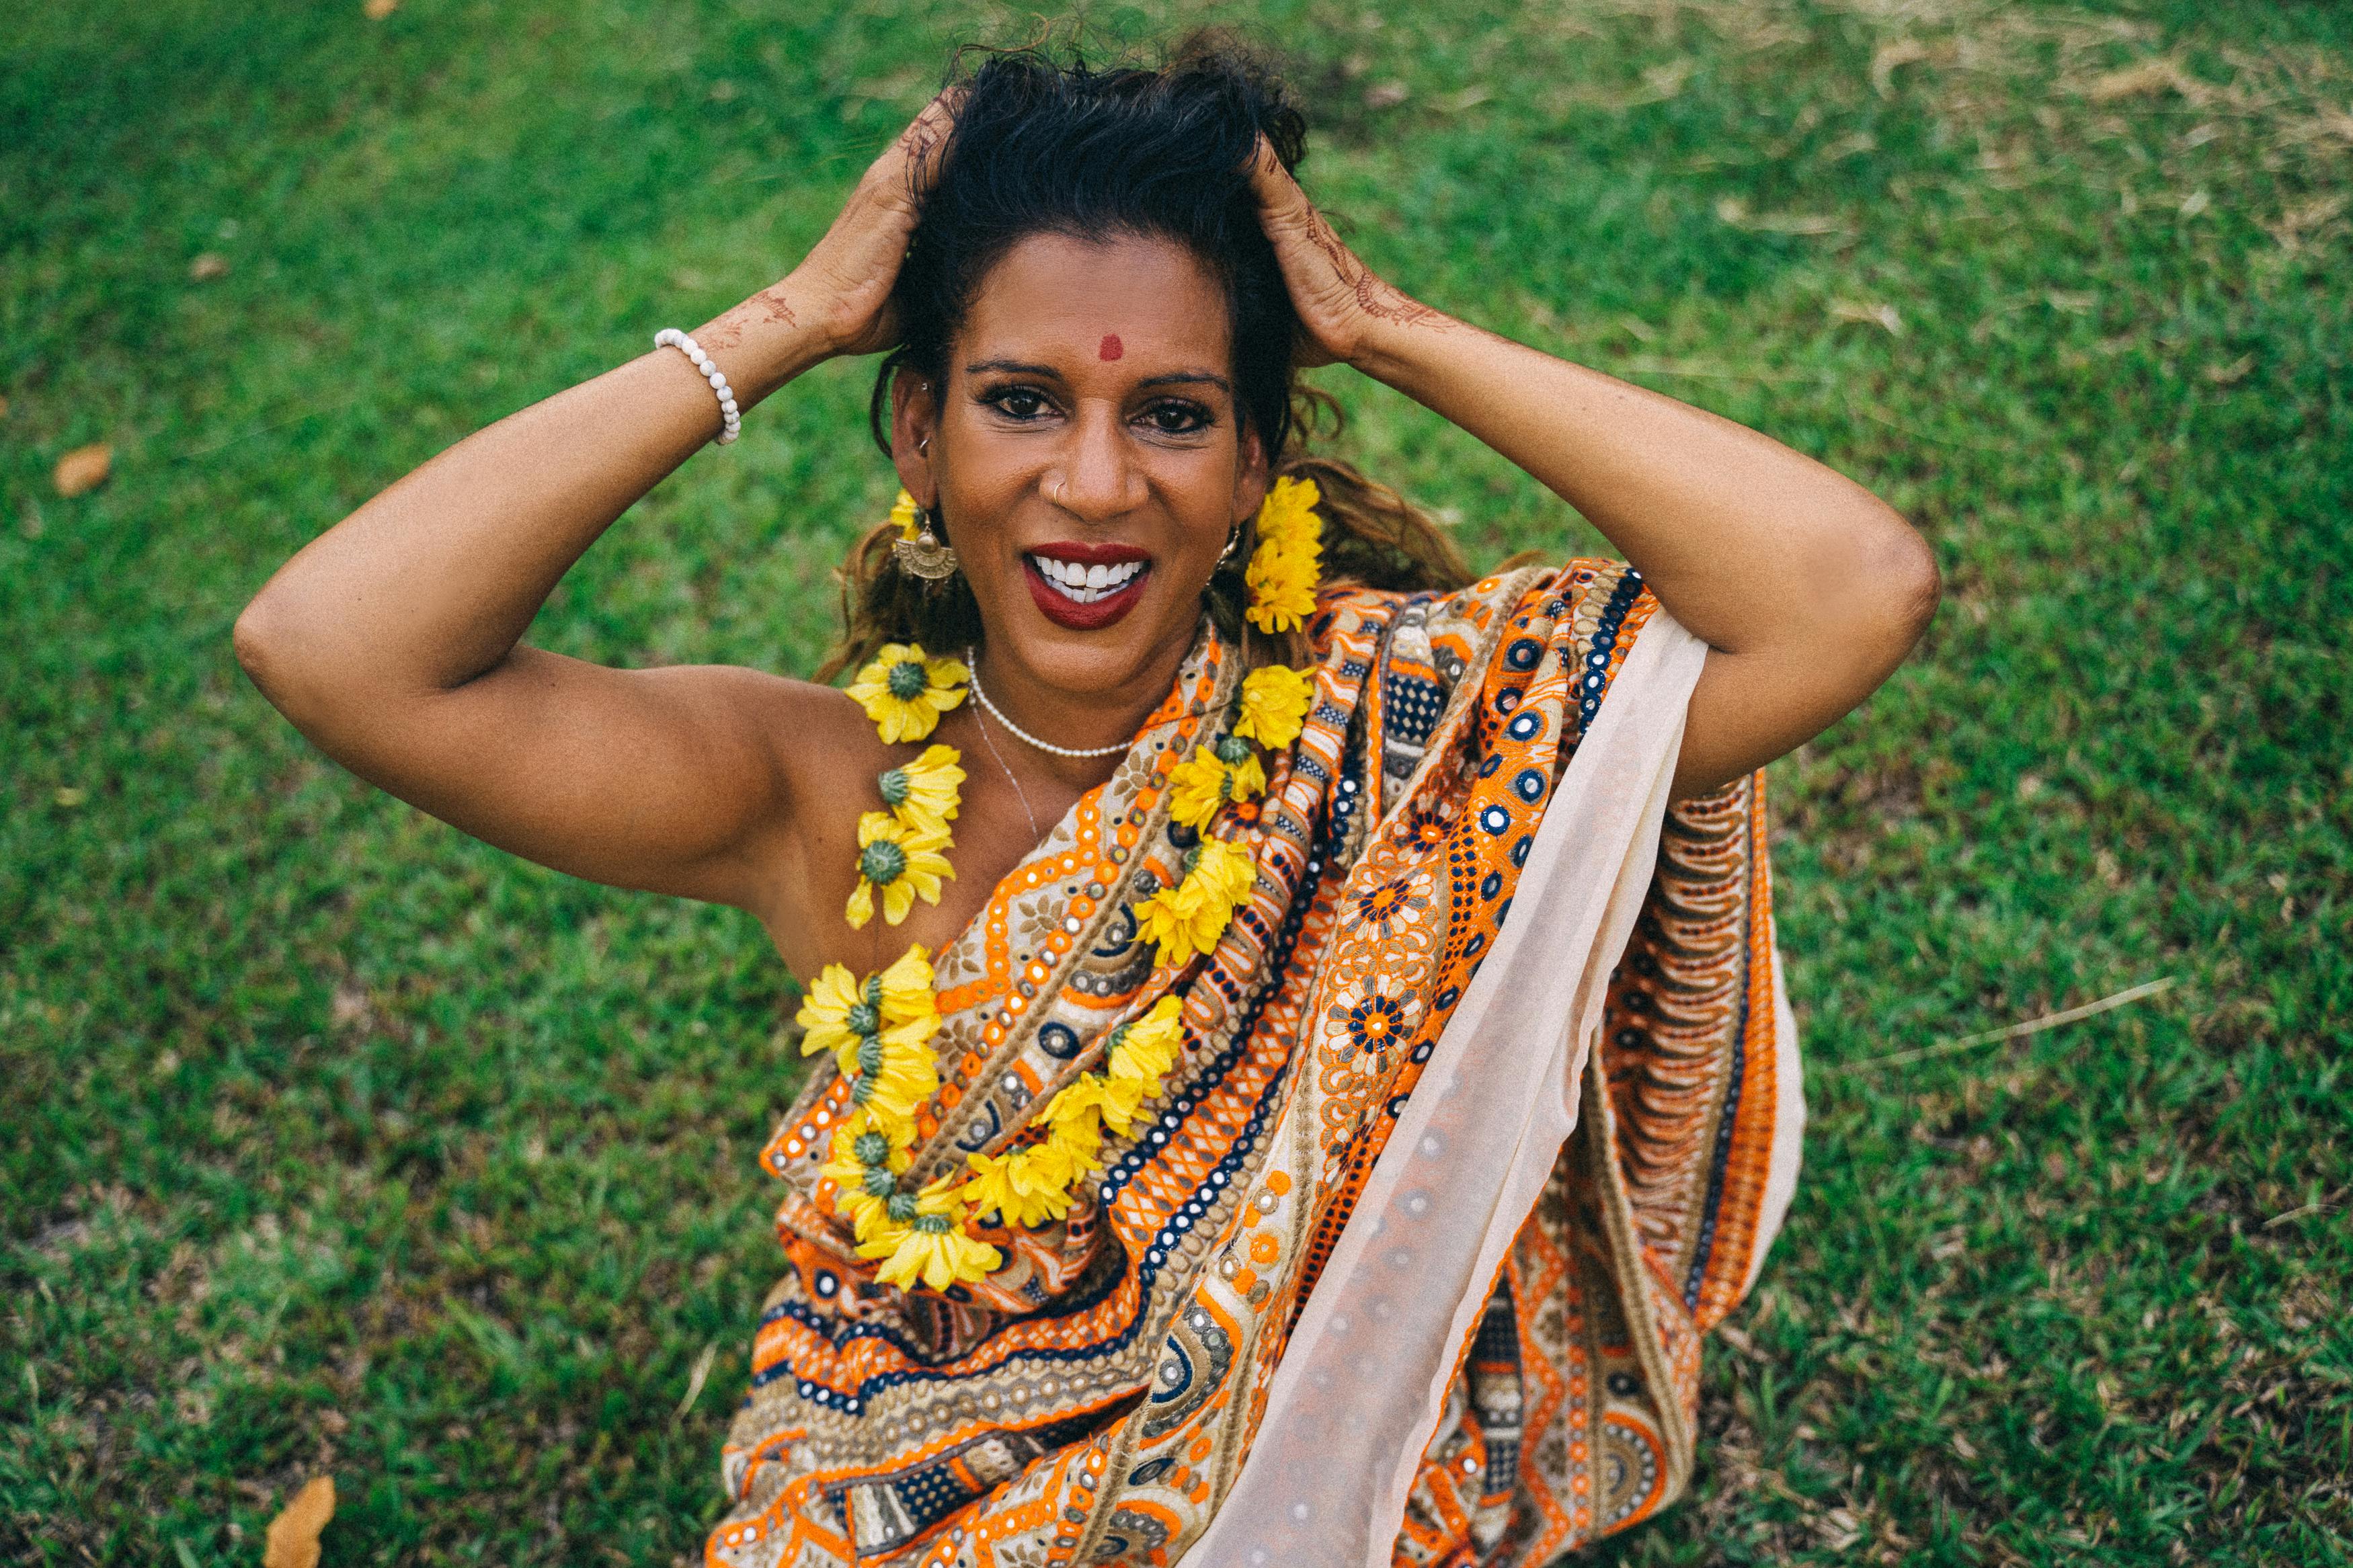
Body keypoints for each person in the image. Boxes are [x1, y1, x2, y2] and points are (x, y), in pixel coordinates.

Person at [234, 37, 1935, 1568]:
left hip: (1308, 1483)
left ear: (1254, 462)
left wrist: (1381, 328)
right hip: (893, 1478)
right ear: (919, 434)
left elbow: (1843, 592)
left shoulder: (1401, 736)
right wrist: (790, 320)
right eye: (1021, 401)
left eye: (1175, 414)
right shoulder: (813, 793)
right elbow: (334, 649)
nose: (1097, 483)